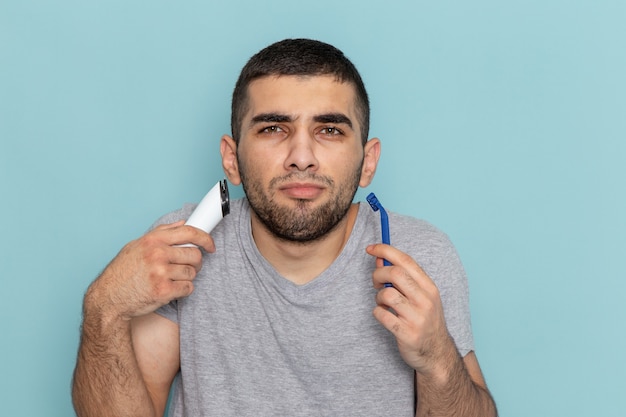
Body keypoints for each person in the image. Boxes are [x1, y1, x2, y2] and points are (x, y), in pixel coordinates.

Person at [72, 38, 497, 417]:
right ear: (231, 158)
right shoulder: (183, 244)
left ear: (368, 162)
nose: (301, 156)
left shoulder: (419, 253)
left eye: (329, 129)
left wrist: (439, 359)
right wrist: (104, 306)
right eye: (274, 128)